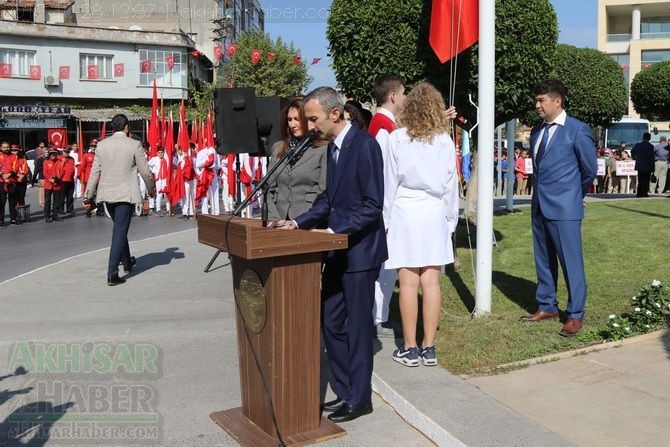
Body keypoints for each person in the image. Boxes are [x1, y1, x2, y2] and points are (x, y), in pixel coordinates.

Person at [273, 86, 387, 423]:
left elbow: (372, 205)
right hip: (336, 250)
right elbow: (327, 200)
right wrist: (298, 222)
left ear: (334, 114)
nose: (309, 126)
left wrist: (336, 231)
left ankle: (360, 398)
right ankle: (346, 389)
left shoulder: (364, 146)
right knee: (331, 320)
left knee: (358, 327)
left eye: (313, 118)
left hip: (360, 253)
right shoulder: (334, 148)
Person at [382, 81, 459, 367]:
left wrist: (386, 218)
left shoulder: (397, 138)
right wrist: (450, 220)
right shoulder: (444, 140)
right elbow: (451, 186)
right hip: (434, 210)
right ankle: (429, 346)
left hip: (405, 209)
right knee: (431, 280)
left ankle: (410, 347)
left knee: (408, 281)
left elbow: (389, 182)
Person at [520, 79, 597, 337]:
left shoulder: (578, 129)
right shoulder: (536, 131)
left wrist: (574, 195)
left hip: (565, 208)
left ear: (557, 101)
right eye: (536, 100)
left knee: (570, 262)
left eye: (542, 100)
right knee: (543, 260)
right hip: (539, 205)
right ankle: (547, 305)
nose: (537, 105)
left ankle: (575, 314)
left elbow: (589, 170)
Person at [83, 114, 155, 286]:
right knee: (119, 232)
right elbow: (145, 171)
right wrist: (151, 189)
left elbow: (95, 172)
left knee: (119, 229)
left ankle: (128, 262)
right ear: (127, 127)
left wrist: (88, 195)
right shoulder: (134, 144)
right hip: (125, 194)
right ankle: (112, 273)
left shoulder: (101, 145)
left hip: (107, 194)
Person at [367, 73, 407, 338]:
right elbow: (382, 175)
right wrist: (386, 216)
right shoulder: (383, 128)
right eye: (403, 94)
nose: (405, 98)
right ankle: (377, 319)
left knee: (387, 267)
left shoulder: (384, 124)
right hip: (383, 210)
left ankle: (379, 316)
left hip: (384, 209)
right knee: (386, 266)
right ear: (393, 96)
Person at [266, 97, 328, 221]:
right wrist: (275, 220)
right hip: (279, 221)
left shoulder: (323, 149)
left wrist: (303, 222)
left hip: (309, 222)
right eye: (289, 119)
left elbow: (323, 193)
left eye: (297, 119)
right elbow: (268, 189)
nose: (292, 124)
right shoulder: (278, 148)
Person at [148, 146, 172, 216]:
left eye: (162, 153)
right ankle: (158, 209)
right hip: (158, 179)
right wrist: (154, 172)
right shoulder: (154, 159)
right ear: (157, 153)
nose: (161, 154)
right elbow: (148, 165)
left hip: (165, 178)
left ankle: (168, 209)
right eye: (159, 153)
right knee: (159, 194)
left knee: (166, 193)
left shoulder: (165, 159)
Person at [43, 148, 64, 222]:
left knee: (56, 201)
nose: (52, 155)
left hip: (57, 184)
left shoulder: (60, 162)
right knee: (47, 201)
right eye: (51, 154)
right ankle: (47, 215)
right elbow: (45, 173)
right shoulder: (46, 162)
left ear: (56, 154)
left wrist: (55, 179)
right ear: (49, 154)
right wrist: (50, 179)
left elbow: (61, 172)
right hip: (48, 184)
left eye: (54, 154)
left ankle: (55, 215)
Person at [631, 132, 655, 198]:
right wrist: (653, 168)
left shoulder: (638, 145)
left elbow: (632, 152)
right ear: (649, 138)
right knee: (646, 181)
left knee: (640, 180)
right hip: (647, 166)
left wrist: (634, 157)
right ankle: (644, 193)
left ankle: (639, 193)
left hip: (640, 166)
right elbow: (652, 158)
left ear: (643, 137)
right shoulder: (650, 146)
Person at [59, 146, 76, 216]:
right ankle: (61, 210)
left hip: (70, 180)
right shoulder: (59, 158)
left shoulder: (72, 159)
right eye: (65, 151)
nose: (66, 153)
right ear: (63, 151)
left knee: (70, 196)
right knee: (62, 196)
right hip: (62, 180)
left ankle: (70, 209)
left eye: (68, 152)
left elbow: (73, 168)